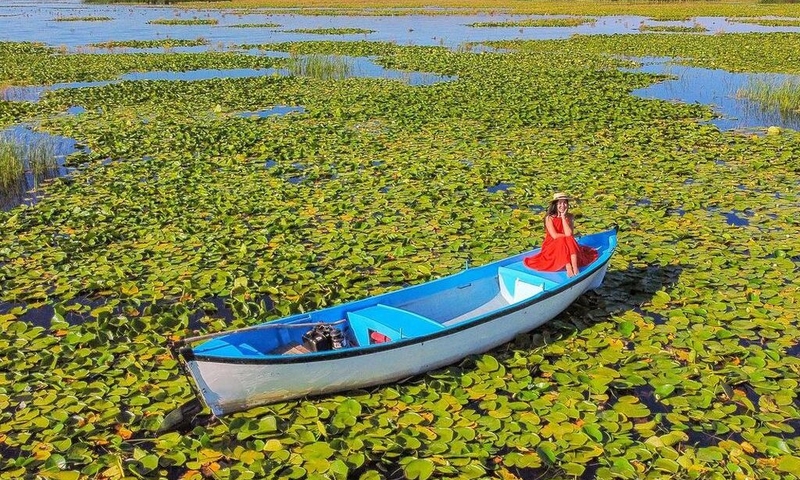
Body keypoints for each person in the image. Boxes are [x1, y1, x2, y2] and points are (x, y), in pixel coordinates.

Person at [524, 192, 598, 277]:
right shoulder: (549, 218)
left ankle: (575, 266)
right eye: (560, 203)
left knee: (568, 238)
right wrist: (566, 236)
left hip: (567, 242)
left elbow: (570, 233)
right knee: (563, 239)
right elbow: (554, 235)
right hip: (552, 245)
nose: (562, 205)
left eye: (564, 202)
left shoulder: (569, 216)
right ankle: (569, 267)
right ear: (555, 205)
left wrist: (563, 217)